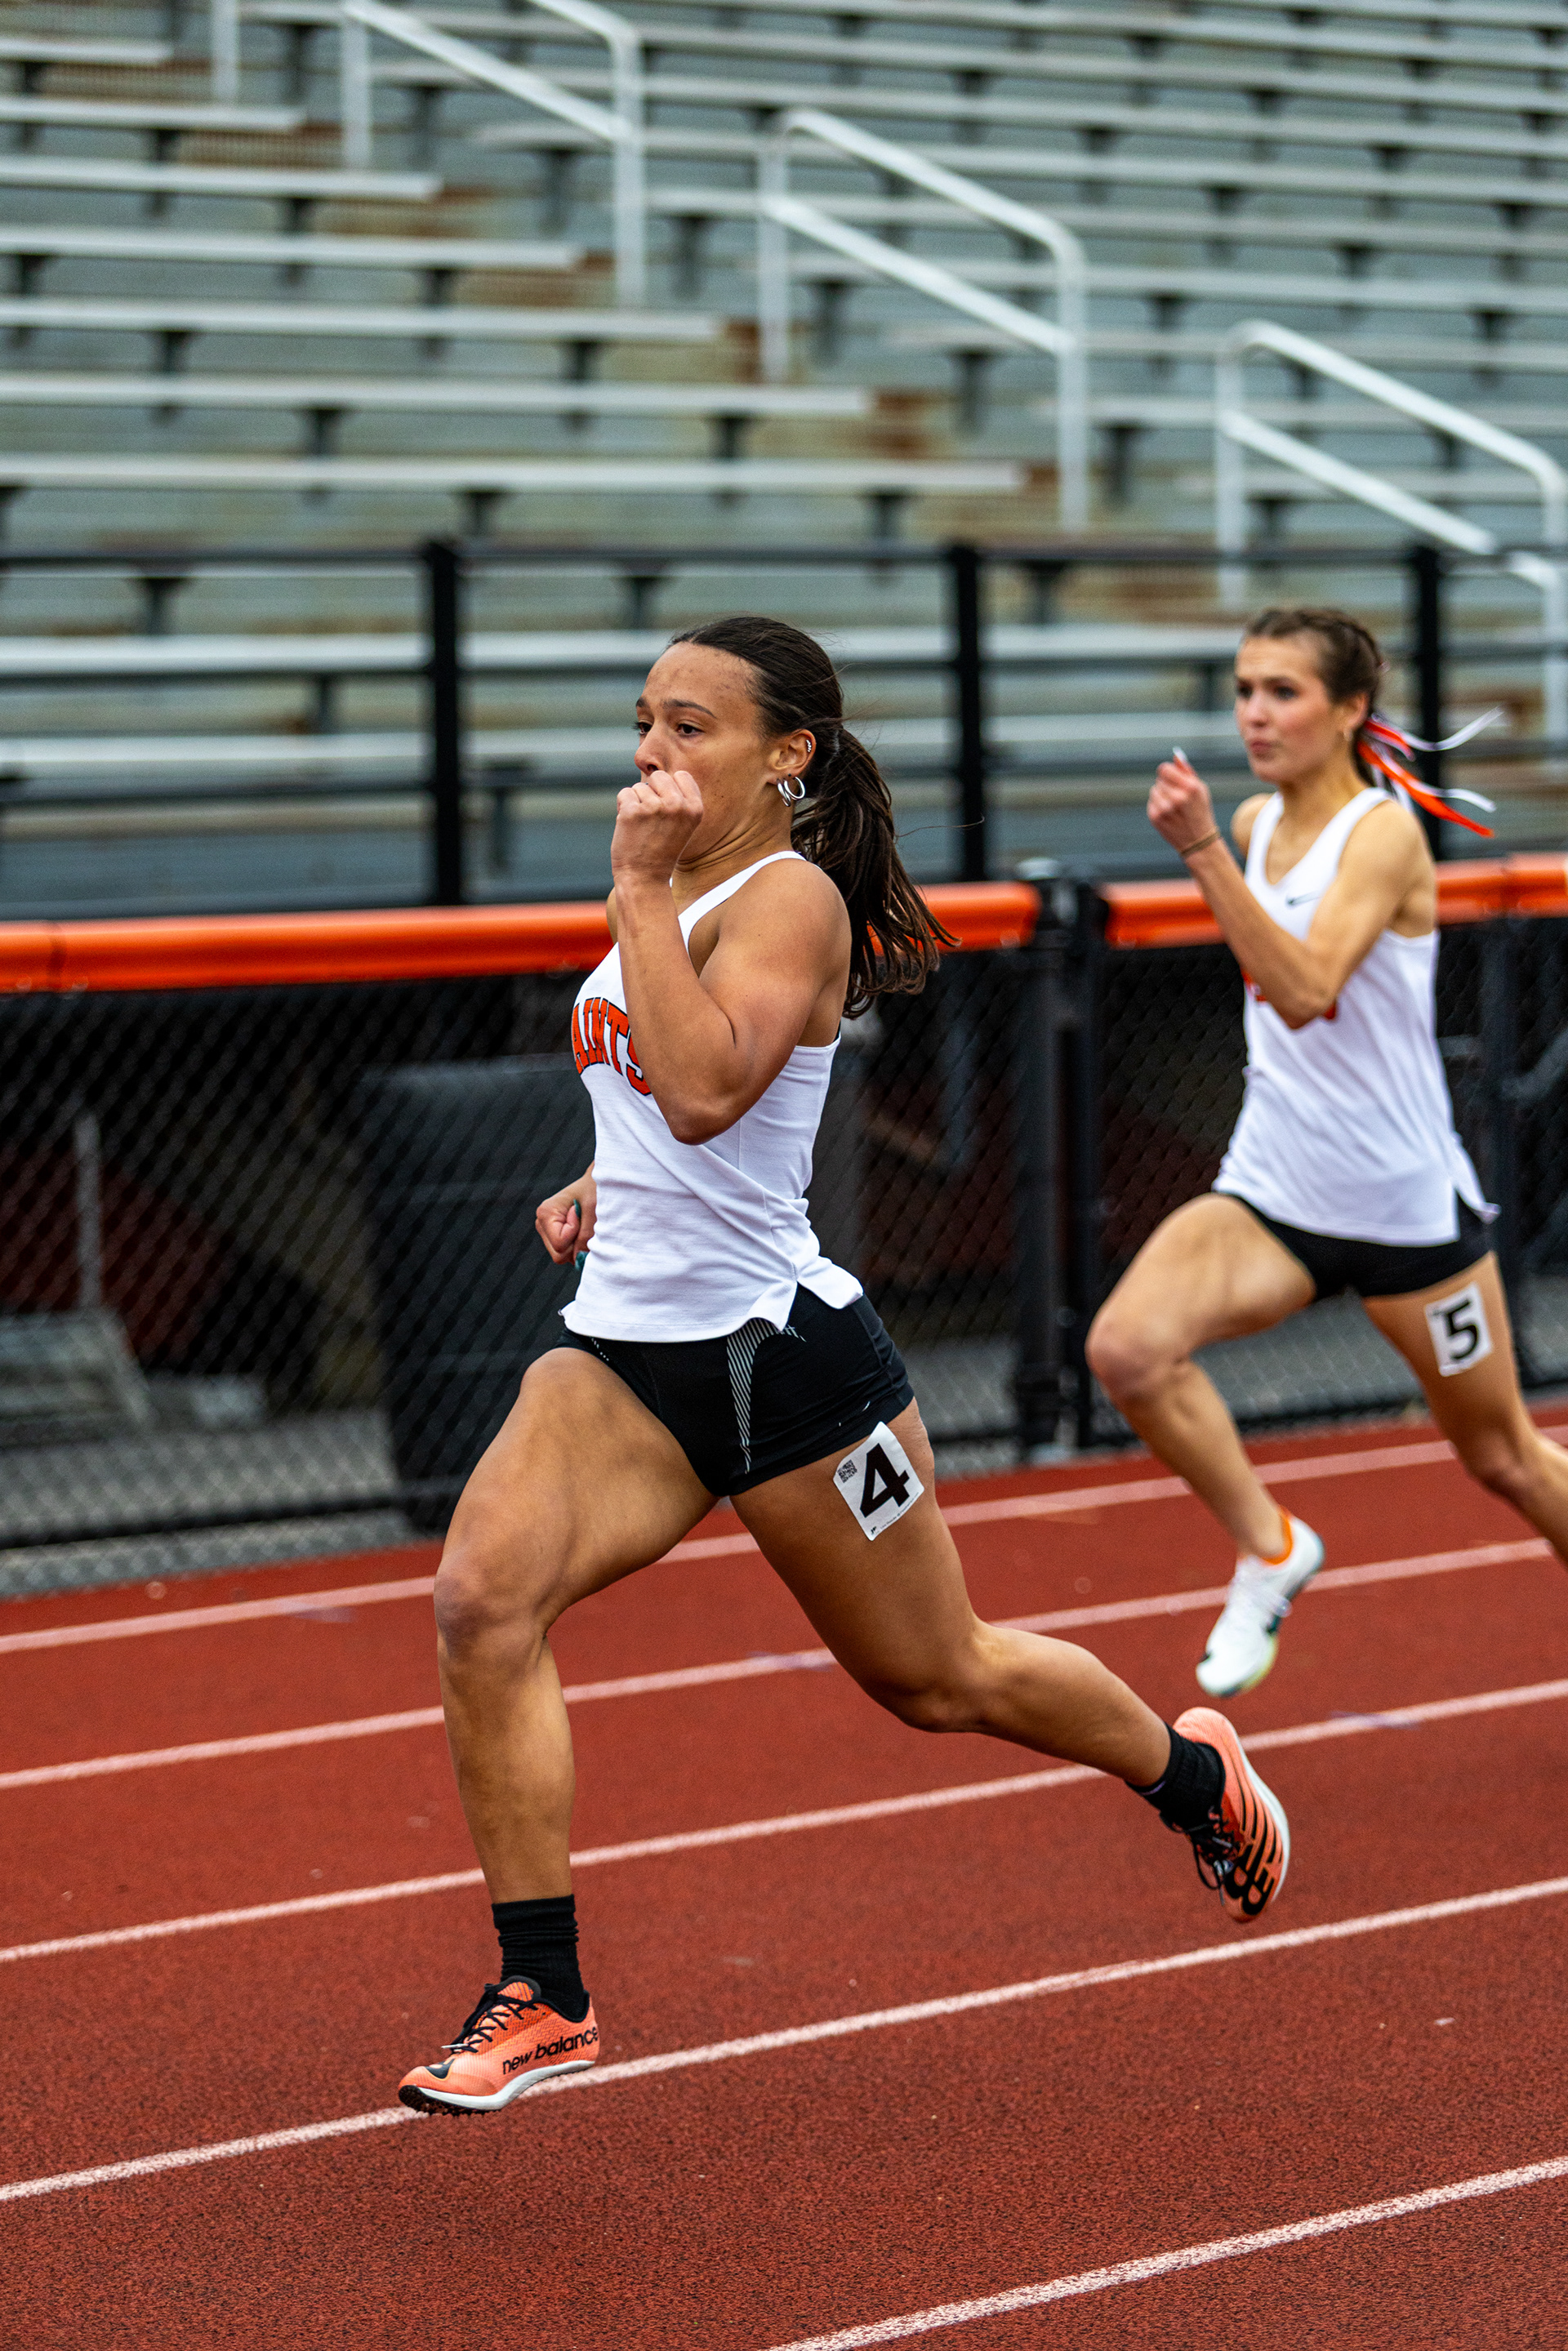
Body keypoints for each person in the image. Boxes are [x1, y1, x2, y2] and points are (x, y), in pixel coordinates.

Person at [397, 616, 1290, 2118]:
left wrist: (634, 891)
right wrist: (605, 1180)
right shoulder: (670, 883)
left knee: (942, 1678)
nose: (652, 752)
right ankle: (545, 1993)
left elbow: (705, 1088)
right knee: (481, 1602)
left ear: (787, 754)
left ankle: (1193, 1779)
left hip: (783, 1364)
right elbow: (668, 1109)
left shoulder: (788, 896)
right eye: (644, 720)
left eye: (691, 727)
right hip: (621, 1352)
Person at [1087, 606, 1568, 1700]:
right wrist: (1221, 845)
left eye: (1283, 692)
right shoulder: (1255, 820)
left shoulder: (1382, 833)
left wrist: (1200, 852)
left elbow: (1305, 990)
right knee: (1128, 1350)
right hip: (1277, 1187)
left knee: (1503, 1457)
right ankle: (1270, 1549)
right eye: (1244, 690)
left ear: (1351, 708)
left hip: (1404, 1210)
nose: (1255, 714)